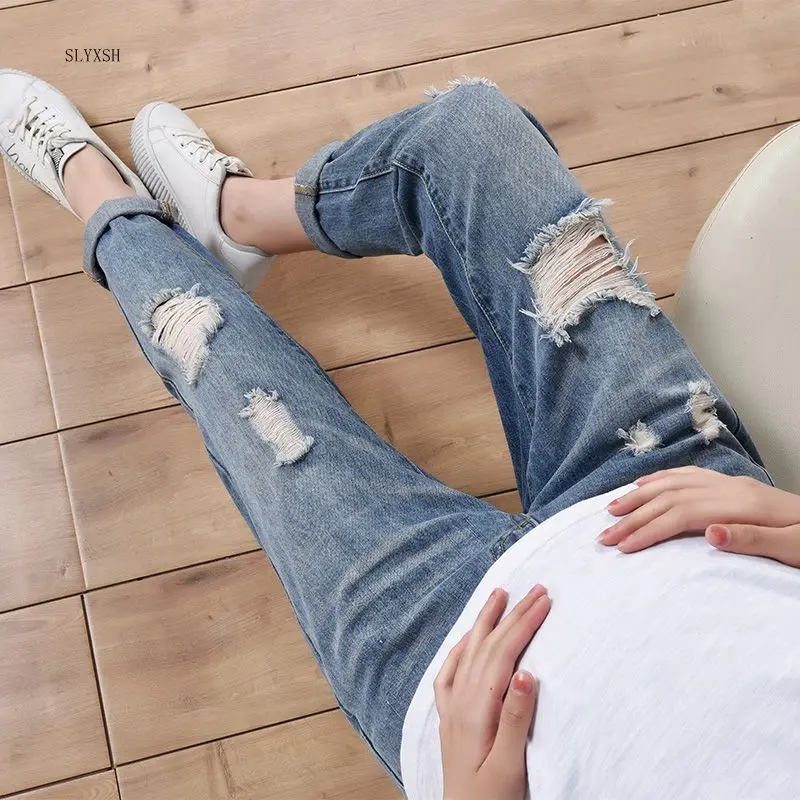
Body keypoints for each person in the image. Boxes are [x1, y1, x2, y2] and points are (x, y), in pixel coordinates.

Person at [2, 69, 800, 800]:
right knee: (472, 133)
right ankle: (237, 220)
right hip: (679, 498)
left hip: (446, 667)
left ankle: (99, 195)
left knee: (212, 354)